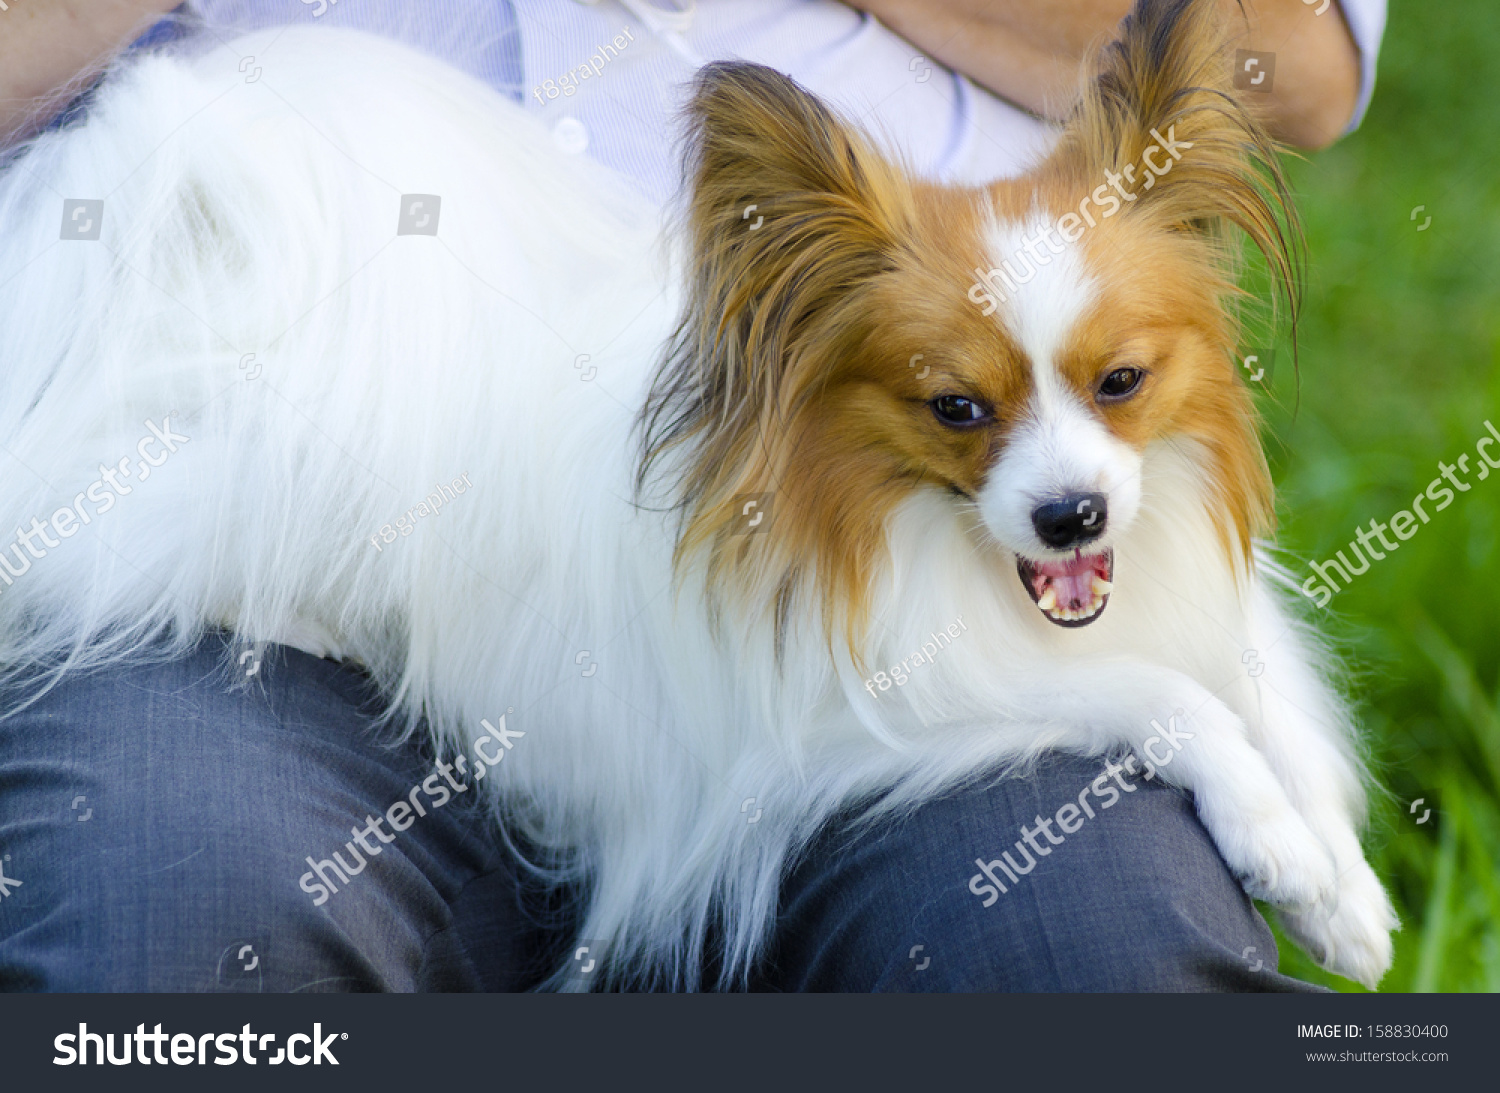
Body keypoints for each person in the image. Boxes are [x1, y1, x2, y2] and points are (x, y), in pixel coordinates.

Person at [0, 0, 1386, 992]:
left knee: (1091, 959)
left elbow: (1297, 57)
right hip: (250, 537)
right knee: (165, 937)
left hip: (862, 580)